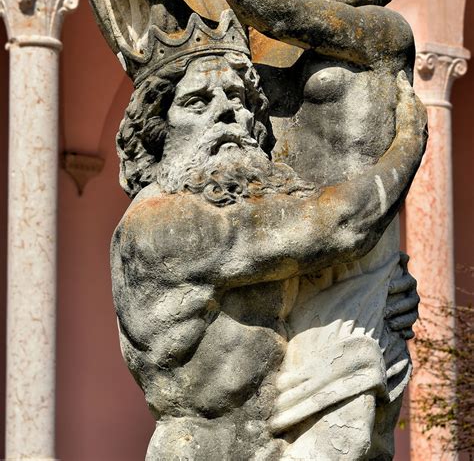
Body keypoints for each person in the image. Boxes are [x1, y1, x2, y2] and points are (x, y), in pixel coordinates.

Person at [116, 0, 420, 458]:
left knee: (345, 438)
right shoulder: (269, 58)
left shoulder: (384, 34)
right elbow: (205, 47)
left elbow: (281, 11)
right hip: (295, 250)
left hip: (353, 254)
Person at [111, 42, 426, 460]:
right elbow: (343, 225)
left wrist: (381, 295)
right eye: (197, 102)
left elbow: (320, 281)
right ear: (158, 131)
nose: (227, 111)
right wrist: (409, 140)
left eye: (239, 98)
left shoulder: (248, 223)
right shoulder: (164, 223)